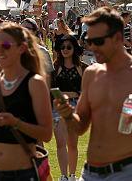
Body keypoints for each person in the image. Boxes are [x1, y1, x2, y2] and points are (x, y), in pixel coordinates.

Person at [56, 7, 132, 181]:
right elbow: (80, 127)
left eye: (98, 41)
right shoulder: (92, 74)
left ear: (118, 38)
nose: (92, 47)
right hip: (90, 173)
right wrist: (68, 114)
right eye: (88, 41)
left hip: (127, 173)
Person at [0, 22, 53, 181]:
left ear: (22, 48)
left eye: (5, 45)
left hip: (21, 174)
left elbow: (46, 134)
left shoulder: (34, 83)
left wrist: (15, 122)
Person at [52, 34, 85, 181]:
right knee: (60, 142)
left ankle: (72, 175)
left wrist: (76, 94)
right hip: (59, 106)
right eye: (62, 47)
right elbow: (50, 89)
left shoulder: (81, 67)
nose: (65, 50)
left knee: (73, 142)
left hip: (76, 106)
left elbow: (87, 89)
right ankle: (63, 176)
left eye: (69, 47)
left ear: (74, 49)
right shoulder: (55, 67)